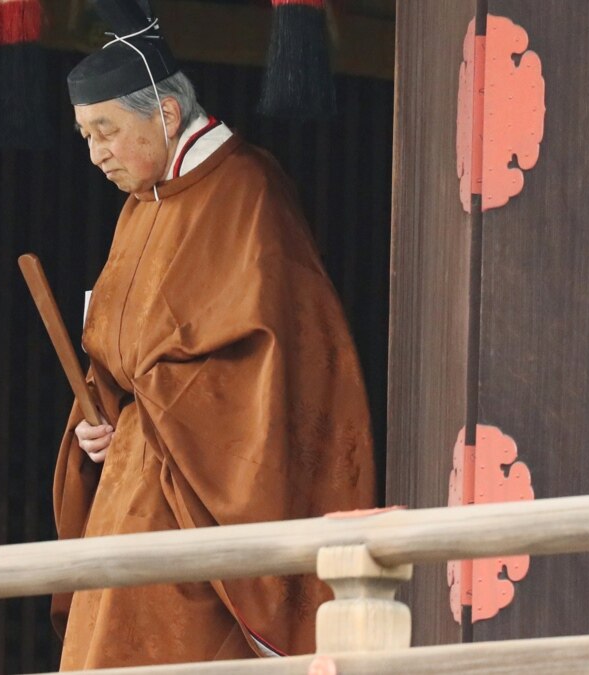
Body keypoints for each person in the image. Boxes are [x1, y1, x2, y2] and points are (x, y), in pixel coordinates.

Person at [51, 0, 376, 667]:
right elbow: (113, 355)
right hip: (132, 490)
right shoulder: (141, 209)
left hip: (194, 505)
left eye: (106, 130)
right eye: (86, 135)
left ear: (165, 114)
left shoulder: (245, 189)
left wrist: (159, 399)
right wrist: (98, 415)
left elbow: (277, 358)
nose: (95, 153)